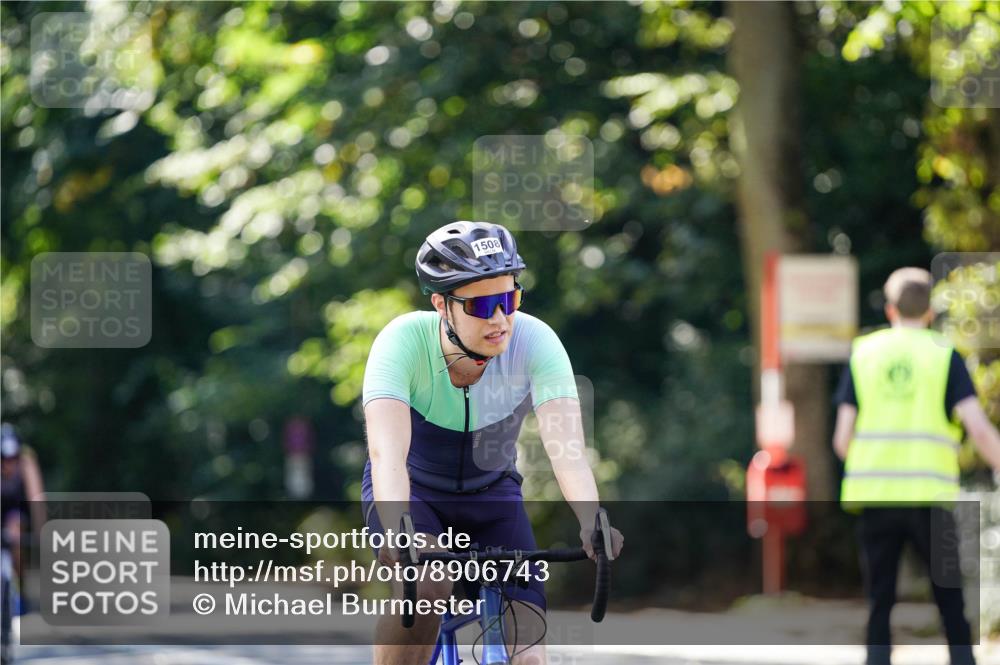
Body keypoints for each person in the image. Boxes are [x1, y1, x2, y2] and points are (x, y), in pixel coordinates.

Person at [362, 221, 623, 665]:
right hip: (415, 492)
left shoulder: (535, 341)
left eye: (510, 299)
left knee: (529, 653)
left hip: (493, 494)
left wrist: (589, 520)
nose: (501, 319)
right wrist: (397, 528)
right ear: (442, 305)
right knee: (430, 585)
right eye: (484, 305)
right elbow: (388, 456)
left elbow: (567, 449)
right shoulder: (402, 341)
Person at [832, 267, 1000, 665]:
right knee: (949, 600)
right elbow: (976, 426)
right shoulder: (944, 356)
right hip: (932, 499)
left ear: (890, 309)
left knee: (880, 601)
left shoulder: (864, 354)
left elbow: (842, 439)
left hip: (875, 499)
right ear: (930, 312)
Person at [1, 423, 46, 604]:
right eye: (3, 458)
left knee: (15, 526)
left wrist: (42, 530)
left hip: (18, 513)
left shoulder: (27, 462)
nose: (8, 463)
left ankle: (20, 589)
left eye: (12, 458)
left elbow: (37, 500)